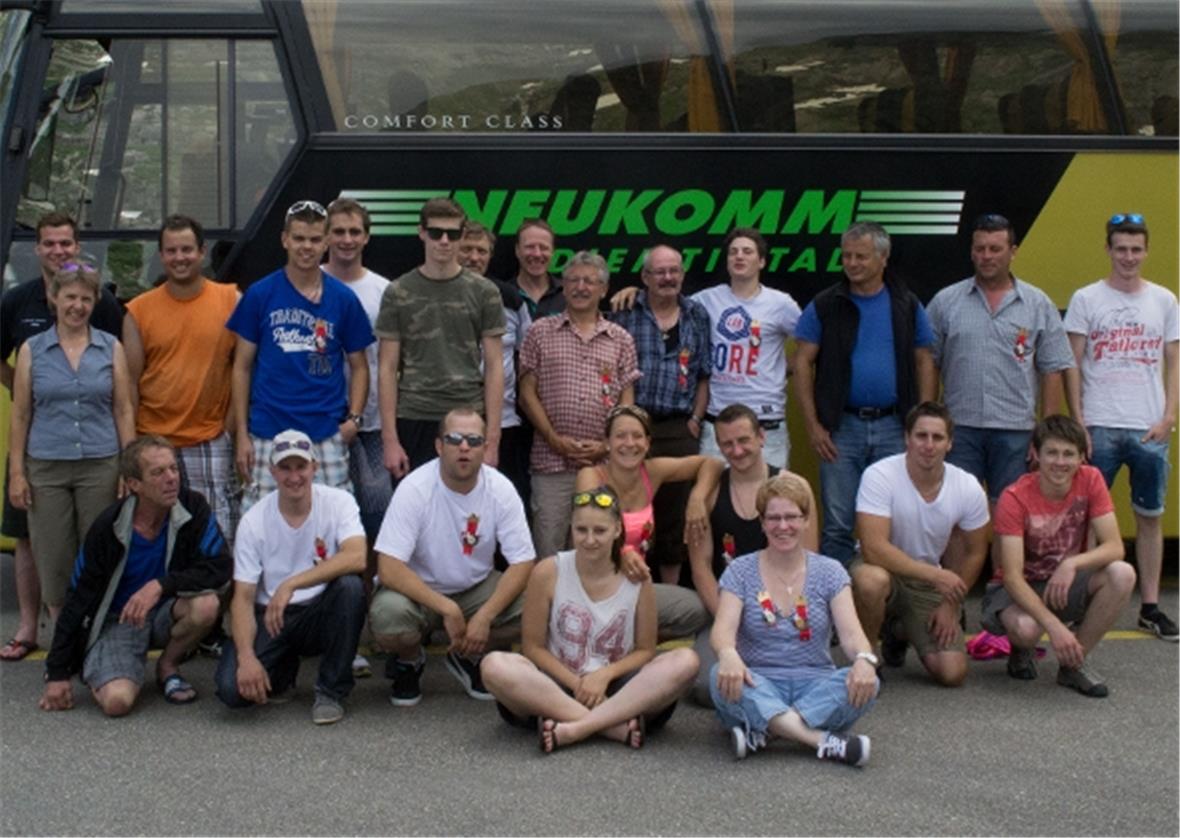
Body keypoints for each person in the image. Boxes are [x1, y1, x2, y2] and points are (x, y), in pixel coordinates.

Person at [480, 486, 699, 752]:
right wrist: (579, 684)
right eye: (581, 530)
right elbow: (533, 647)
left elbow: (645, 650)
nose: (589, 540)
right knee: (493, 665)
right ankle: (612, 726)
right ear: (571, 528)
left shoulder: (637, 577)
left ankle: (574, 728)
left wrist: (604, 675)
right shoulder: (549, 570)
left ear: (618, 530)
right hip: (557, 684)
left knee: (685, 661)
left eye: (600, 531)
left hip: (618, 686)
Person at [0, 212, 123, 661]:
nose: (57, 251)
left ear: (76, 245)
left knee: (94, 542)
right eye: (49, 244)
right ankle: (33, 628)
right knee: (33, 541)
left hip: (95, 450)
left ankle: (88, 635)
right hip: (41, 448)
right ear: (37, 250)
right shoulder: (17, 302)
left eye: (65, 244)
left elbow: (120, 377)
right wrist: (24, 387)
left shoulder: (103, 304)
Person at [38, 435, 229, 715]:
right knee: (117, 703)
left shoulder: (193, 507)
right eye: (158, 472)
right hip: (120, 620)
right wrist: (57, 673)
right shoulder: (108, 528)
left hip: (165, 609)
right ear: (133, 484)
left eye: (173, 468)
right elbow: (77, 598)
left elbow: (221, 567)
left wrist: (159, 586)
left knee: (207, 604)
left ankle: (168, 666)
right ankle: (106, 668)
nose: (171, 478)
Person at [793, 221, 937, 566]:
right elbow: (801, 364)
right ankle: (836, 605)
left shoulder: (906, 304)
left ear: (883, 258)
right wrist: (814, 426)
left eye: (861, 256)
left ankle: (889, 603)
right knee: (838, 525)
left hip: (894, 426)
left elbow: (924, 361)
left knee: (896, 521)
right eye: (846, 256)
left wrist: (921, 421)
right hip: (840, 429)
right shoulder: (826, 304)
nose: (852, 263)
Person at [710, 473, 879, 765]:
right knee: (718, 675)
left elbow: (852, 636)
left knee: (868, 680)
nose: (783, 526)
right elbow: (722, 631)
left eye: (792, 517)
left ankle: (767, 731)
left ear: (806, 521)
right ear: (762, 523)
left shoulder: (831, 571)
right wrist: (728, 654)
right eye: (773, 518)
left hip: (816, 682)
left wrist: (864, 660)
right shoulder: (740, 570)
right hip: (758, 679)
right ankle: (821, 740)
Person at [1064, 213, 1179, 642]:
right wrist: (1078, 423)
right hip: (1099, 424)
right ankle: (1084, 601)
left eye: (1136, 249)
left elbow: (1174, 361)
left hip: (1148, 427)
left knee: (1149, 517)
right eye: (1121, 249)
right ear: (1108, 250)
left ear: (1146, 251)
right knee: (1088, 520)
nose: (1128, 257)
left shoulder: (1165, 301)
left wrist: (1170, 416)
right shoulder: (1086, 299)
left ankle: (1150, 607)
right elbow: (1071, 364)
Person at [370, 408, 535, 705]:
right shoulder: (415, 488)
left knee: (538, 608)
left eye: (473, 440)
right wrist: (447, 608)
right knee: (389, 618)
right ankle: (410, 660)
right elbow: (389, 567)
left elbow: (522, 561)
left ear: (485, 448)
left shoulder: (500, 488)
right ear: (438, 446)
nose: (464, 447)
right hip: (421, 592)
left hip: (477, 588)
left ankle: (468, 655)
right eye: (454, 438)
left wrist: (485, 616)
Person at [227, 199, 372, 512]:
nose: (307, 247)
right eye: (299, 238)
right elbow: (241, 367)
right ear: (285, 240)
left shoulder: (343, 299)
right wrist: (241, 434)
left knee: (335, 523)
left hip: (325, 429)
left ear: (327, 242)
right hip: (267, 427)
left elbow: (359, 365)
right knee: (261, 520)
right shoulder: (260, 294)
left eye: (315, 239)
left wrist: (354, 420)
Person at [215, 429, 367, 724]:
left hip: (319, 611)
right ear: (272, 471)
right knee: (232, 692)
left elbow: (357, 556)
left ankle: (331, 691)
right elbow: (243, 599)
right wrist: (246, 658)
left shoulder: (339, 502)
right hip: (272, 617)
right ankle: (282, 670)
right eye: (285, 468)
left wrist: (291, 584)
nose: (294, 476)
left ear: (315, 467)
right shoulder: (254, 520)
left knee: (350, 588)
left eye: (301, 467)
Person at [925, 213, 1076, 512]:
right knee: (956, 510)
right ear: (971, 251)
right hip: (960, 428)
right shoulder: (946, 302)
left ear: (1013, 251)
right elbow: (929, 362)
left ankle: (1004, 563)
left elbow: (1052, 370)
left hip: (1016, 430)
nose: (986, 256)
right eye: (980, 249)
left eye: (995, 249)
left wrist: (1044, 433)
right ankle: (958, 563)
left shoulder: (1037, 304)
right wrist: (929, 417)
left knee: (1010, 512)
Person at [980, 415, 1136, 698]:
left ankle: (1073, 664)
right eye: (1051, 452)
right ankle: (1021, 649)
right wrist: (1054, 628)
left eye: (1068, 454)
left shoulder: (1091, 480)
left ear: (1082, 457)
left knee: (1122, 573)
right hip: (1019, 588)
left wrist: (1072, 563)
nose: (1060, 462)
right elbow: (1012, 576)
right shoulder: (1013, 497)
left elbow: (1115, 547)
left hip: (1064, 580)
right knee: (1027, 630)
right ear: (1036, 454)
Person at [686, 402, 817, 705]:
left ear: (761, 436)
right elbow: (701, 568)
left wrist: (782, 619)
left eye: (743, 440)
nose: (737, 450)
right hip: (726, 607)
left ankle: (769, 692)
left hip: (783, 607)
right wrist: (729, 620)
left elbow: (810, 563)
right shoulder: (709, 492)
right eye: (727, 444)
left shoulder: (795, 486)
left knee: (806, 680)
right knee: (706, 688)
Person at [852, 402, 990, 686]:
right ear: (907, 438)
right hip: (884, 570)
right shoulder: (879, 475)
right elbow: (873, 548)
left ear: (950, 443)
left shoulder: (967, 486)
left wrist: (951, 605)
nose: (928, 445)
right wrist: (937, 575)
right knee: (870, 580)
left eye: (937, 437)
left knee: (952, 673)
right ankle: (868, 658)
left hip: (926, 582)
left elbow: (976, 552)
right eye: (921, 436)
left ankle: (898, 631)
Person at [123, 215, 239, 544]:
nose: (180, 258)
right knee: (156, 532)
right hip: (155, 442)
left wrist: (229, 429)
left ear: (202, 252)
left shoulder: (231, 301)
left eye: (187, 249)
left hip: (210, 439)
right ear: (161, 255)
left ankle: (220, 596)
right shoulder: (138, 311)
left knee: (219, 534)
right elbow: (129, 383)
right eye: (171, 251)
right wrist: (133, 444)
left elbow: (242, 369)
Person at [518, 251, 641, 557]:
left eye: (590, 281)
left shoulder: (621, 338)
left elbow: (627, 399)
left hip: (603, 464)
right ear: (564, 287)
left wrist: (608, 445)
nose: (581, 287)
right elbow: (526, 392)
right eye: (573, 280)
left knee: (596, 549)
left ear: (604, 289)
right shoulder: (540, 331)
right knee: (549, 547)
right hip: (551, 462)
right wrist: (552, 438)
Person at [375, 197, 505, 476]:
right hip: (413, 415)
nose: (444, 241)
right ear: (422, 233)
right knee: (415, 511)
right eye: (436, 233)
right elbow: (386, 368)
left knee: (467, 510)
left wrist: (492, 439)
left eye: (453, 233)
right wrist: (390, 440)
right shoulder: (398, 292)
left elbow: (495, 366)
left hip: (468, 416)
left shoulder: (485, 292)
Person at [607, 245, 711, 584]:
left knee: (674, 515)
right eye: (660, 272)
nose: (667, 278)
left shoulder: (697, 314)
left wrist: (695, 418)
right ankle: (622, 583)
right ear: (645, 277)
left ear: (682, 274)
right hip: (633, 426)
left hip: (679, 426)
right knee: (628, 507)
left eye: (674, 271)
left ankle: (669, 593)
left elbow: (704, 374)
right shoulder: (624, 310)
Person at [325, 197, 393, 677]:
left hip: (369, 427)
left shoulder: (384, 291)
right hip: (320, 429)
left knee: (376, 519)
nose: (346, 240)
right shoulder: (309, 284)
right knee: (326, 528)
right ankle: (333, 628)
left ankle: (369, 621)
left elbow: (390, 365)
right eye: (338, 231)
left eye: (355, 231)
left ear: (367, 237)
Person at [575, 405, 710, 639]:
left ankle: (629, 637)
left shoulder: (653, 471)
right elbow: (590, 521)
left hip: (636, 587)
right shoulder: (590, 476)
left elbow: (711, 464)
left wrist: (697, 498)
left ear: (647, 443)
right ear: (606, 443)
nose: (630, 443)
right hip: (595, 586)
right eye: (620, 436)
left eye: (637, 436)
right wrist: (621, 551)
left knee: (696, 608)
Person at [690, 228, 800, 468]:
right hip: (717, 425)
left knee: (768, 500)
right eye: (733, 252)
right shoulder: (707, 300)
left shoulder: (780, 304)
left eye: (747, 252)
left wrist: (785, 367)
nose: (739, 257)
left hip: (766, 425)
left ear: (761, 261)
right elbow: (667, 306)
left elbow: (811, 343)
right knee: (715, 500)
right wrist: (635, 293)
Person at [461, 222, 531, 509]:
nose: (474, 258)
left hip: (503, 424)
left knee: (503, 506)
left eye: (482, 251)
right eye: (467, 249)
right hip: (454, 422)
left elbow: (527, 359)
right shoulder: (431, 296)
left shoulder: (511, 300)